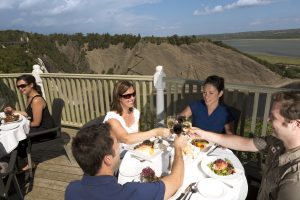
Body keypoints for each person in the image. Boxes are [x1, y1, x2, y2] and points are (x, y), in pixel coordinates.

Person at [191, 91, 300, 200]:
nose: (268, 119)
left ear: (296, 124)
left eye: (274, 117)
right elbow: (244, 143)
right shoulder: (277, 142)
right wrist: (203, 134)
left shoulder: (295, 179)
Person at [65, 123, 187, 200]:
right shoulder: (131, 193)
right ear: (108, 159)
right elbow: (176, 180)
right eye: (117, 142)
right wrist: (178, 148)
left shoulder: (71, 190)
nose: (120, 144)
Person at [103, 80, 170, 154]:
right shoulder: (112, 119)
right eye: (127, 96)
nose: (132, 98)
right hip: (117, 157)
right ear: (119, 97)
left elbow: (136, 134)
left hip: (134, 152)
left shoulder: (135, 112)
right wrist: (155, 132)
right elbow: (127, 139)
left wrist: (152, 138)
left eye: (133, 94)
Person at [4, 74, 54, 170]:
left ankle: (27, 164)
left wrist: (18, 123)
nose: (20, 89)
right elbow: (27, 114)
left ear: (31, 85)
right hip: (39, 127)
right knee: (17, 135)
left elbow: (36, 123)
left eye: (23, 86)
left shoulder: (36, 100)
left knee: (19, 138)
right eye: (18, 87)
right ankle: (19, 161)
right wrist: (13, 112)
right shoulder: (30, 96)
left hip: (46, 131)